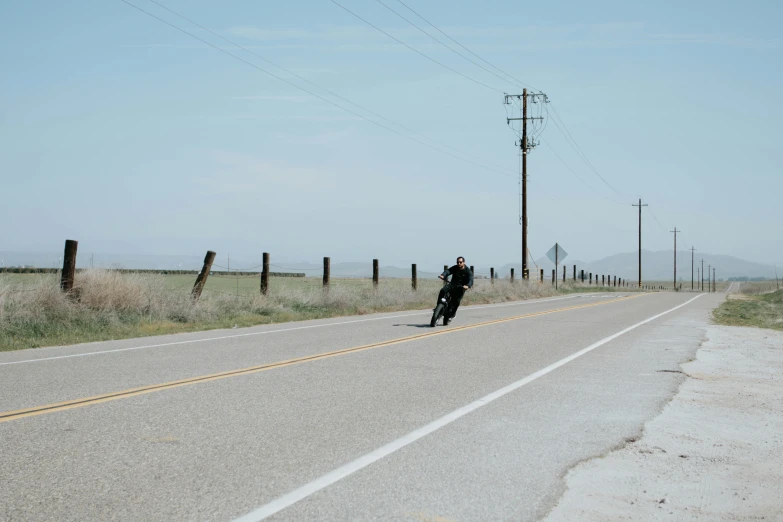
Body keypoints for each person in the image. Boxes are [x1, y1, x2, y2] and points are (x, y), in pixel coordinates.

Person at [437, 256, 473, 325]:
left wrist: (467, 285)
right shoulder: (455, 268)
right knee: (443, 290)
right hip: (452, 285)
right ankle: (438, 306)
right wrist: (443, 275)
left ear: (463, 263)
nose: (459, 263)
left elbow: (471, 279)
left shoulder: (468, 271)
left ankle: (452, 315)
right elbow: (448, 271)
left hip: (461, 288)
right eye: (457, 262)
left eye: (460, 262)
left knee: (456, 301)